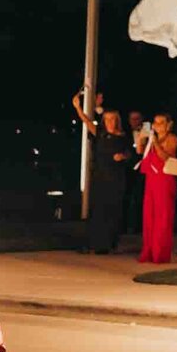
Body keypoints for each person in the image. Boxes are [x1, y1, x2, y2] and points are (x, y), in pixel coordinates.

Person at [72, 93, 132, 253]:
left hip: (116, 178)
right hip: (100, 176)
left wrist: (123, 156)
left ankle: (109, 243)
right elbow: (86, 121)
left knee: (112, 210)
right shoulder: (100, 133)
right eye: (108, 119)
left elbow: (130, 154)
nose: (111, 122)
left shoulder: (123, 136)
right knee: (98, 209)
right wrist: (78, 107)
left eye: (113, 119)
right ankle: (95, 242)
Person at [136, 112, 177, 264]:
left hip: (164, 180)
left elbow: (165, 157)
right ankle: (148, 250)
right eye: (155, 123)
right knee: (149, 216)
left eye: (161, 123)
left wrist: (155, 142)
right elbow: (140, 153)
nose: (157, 126)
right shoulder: (151, 139)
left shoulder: (171, 138)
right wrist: (141, 140)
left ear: (168, 124)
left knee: (162, 217)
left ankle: (160, 253)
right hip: (151, 180)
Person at [124, 111, 148, 234]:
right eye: (132, 119)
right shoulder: (126, 134)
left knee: (141, 197)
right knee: (126, 195)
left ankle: (139, 226)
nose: (135, 121)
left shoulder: (147, 133)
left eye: (137, 118)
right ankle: (125, 225)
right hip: (128, 169)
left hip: (144, 169)